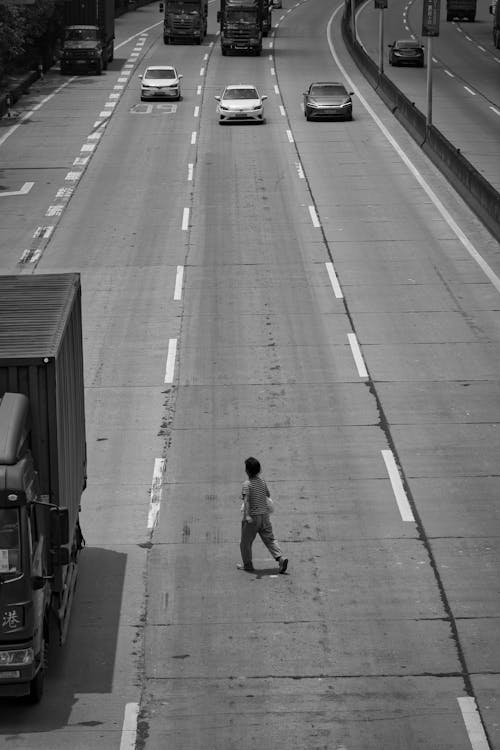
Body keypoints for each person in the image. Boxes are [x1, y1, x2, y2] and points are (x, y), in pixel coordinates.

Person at [238, 456, 288, 573]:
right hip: (265, 516)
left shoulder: (247, 484)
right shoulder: (262, 481)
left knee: (245, 542)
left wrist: (247, 516)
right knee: (270, 539)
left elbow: (246, 501)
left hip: (253, 518)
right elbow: (268, 494)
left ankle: (248, 565)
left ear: (247, 470)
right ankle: (281, 558)